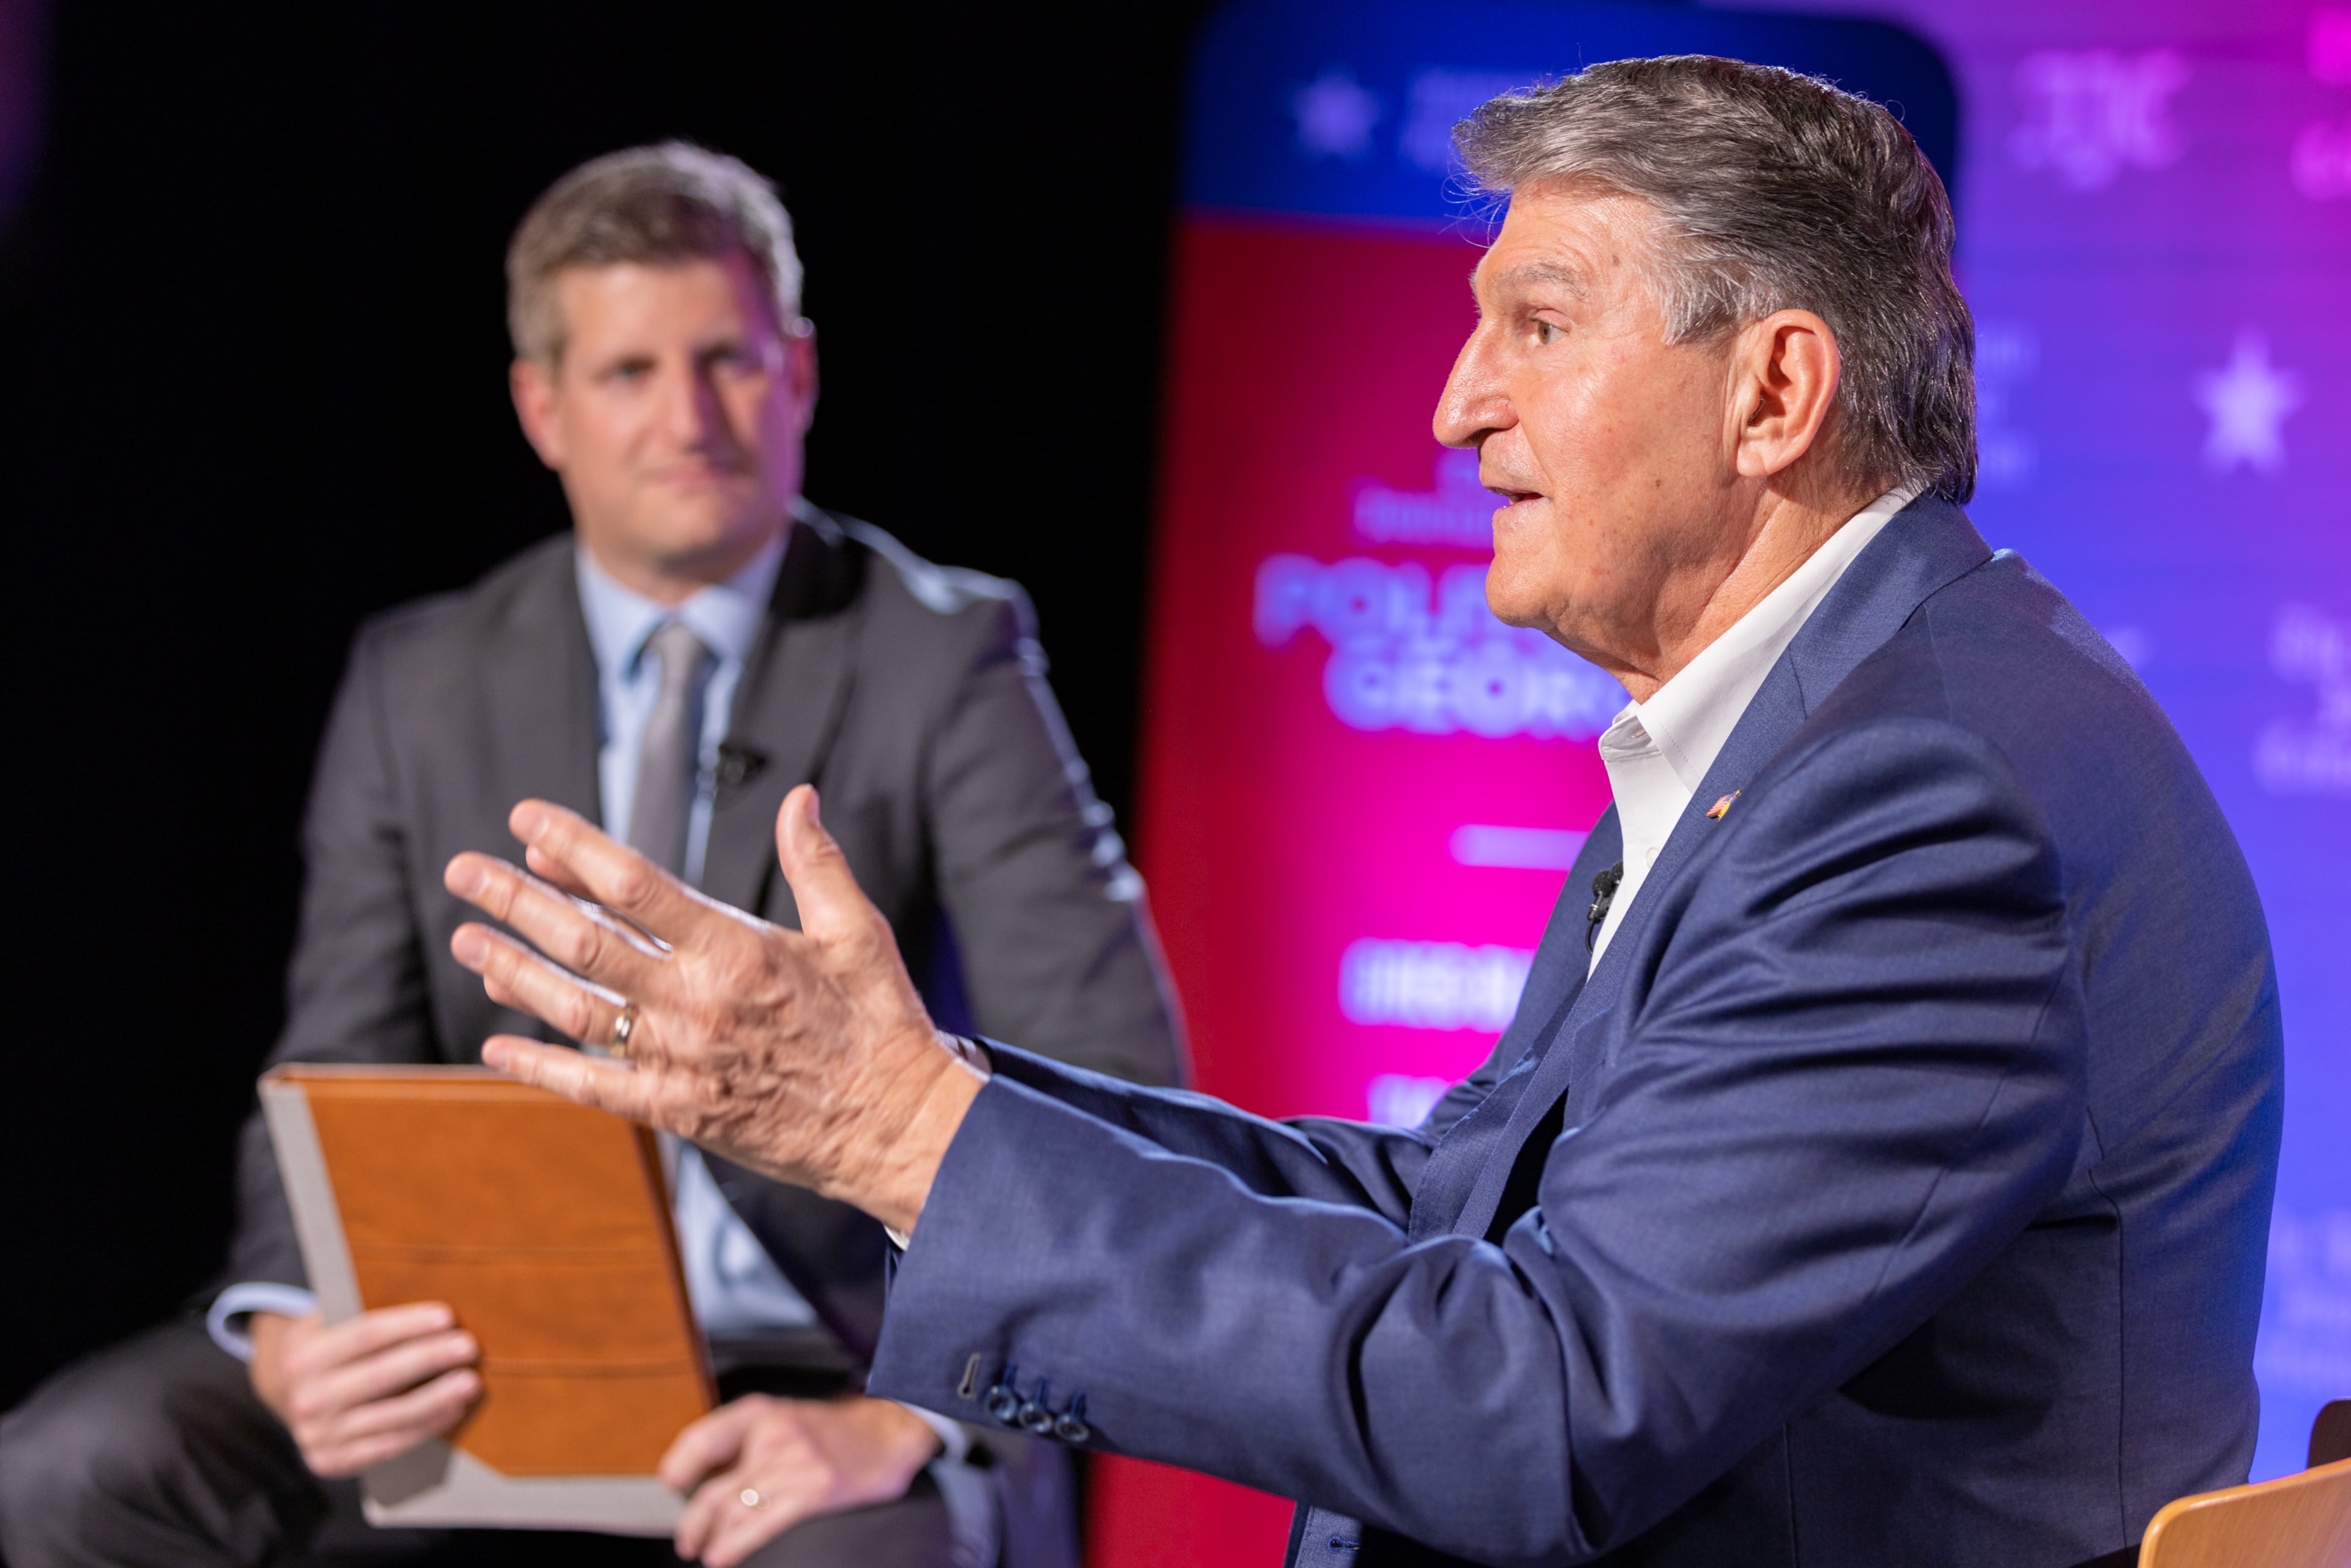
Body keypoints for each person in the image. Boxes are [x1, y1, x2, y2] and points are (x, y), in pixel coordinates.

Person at [425, 61, 2283, 1568]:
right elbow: (1453, 1211)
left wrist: (907, 1137)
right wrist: (925, 1098)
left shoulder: (1922, 797)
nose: (1457, 407)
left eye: (1538, 326)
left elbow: (1544, 1410)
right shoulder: (1817, 723)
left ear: (1773, 392)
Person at [0, 143, 1187, 1568]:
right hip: (485, 1345)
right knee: (70, 1476)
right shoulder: (420, 678)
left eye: (728, 361)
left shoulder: (947, 655)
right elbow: (334, 1064)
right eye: (630, 373)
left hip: (830, 1364)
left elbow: (1114, 1075)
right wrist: (295, 1328)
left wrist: (909, 1422)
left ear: (801, 374)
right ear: (542, 408)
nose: (690, 419)